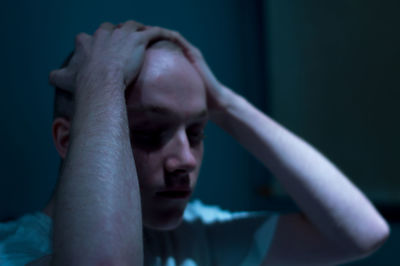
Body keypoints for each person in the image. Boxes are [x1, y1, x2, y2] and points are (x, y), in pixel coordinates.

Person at [0, 20, 390, 266]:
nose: (184, 159)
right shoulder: (15, 251)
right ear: (68, 141)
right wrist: (101, 80)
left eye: (197, 133)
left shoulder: (195, 236)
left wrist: (224, 104)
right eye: (151, 134)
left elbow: (362, 233)